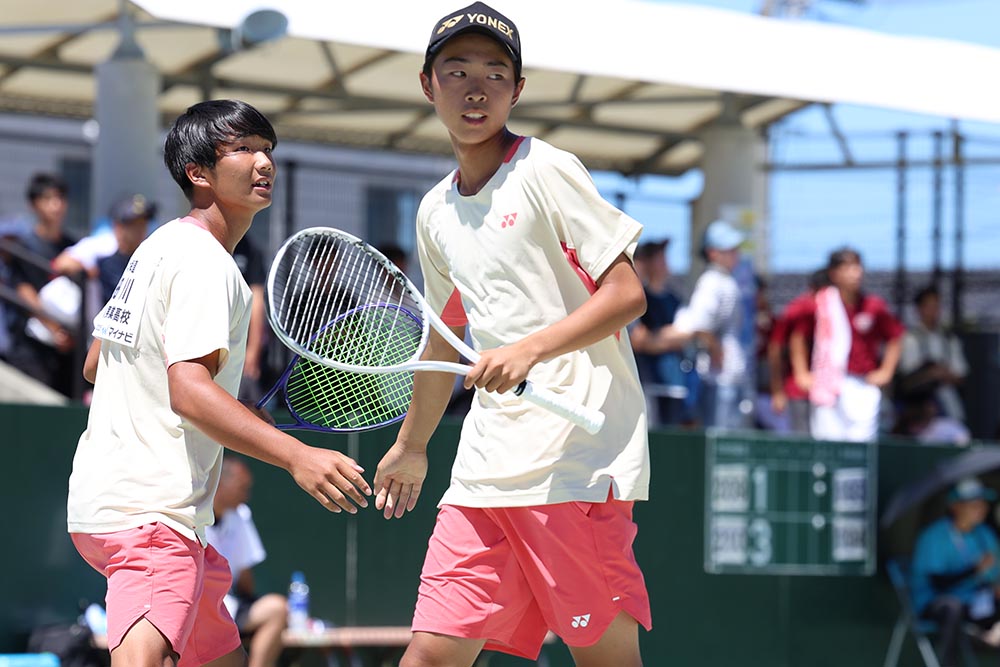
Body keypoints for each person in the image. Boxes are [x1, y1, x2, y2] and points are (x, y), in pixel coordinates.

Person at [373, 5, 651, 666]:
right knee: (430, 654)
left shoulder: (547, 169)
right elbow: (443, 340)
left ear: (517, 90)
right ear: (427, 84)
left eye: (495, 75)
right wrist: (412, 445)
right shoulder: (434, 211)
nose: (477, 89)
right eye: (458, 71)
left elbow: (626, 293)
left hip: (576, 464)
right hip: (483, 471)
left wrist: (529, 349)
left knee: (606, 659)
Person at [66, 99, 371, 667]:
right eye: (243, 149)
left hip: (108, 505)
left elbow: (95, 363)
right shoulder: (207, 263)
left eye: (267, 148)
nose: (264, 162)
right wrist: (297, 455)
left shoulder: (157, 246)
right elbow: (186, 389)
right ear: (198, 172)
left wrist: (225, 404)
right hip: (151, 516)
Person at [789, 247, 903, 443]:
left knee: (861, 445)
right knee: (829, 444)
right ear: (834, 273)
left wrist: (886, 371)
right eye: (848, 267)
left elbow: (895, 337)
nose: (855, 273)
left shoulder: (873, 305)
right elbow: (797, 337)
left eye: (857, 266)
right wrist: (801, 373)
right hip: (828, 382)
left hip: (862, 383)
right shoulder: (819, 303)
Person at [649, 219, 747, 430]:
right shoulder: (712, 281)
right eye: (728, 250)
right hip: (717, 376)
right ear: (713, 253)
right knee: (718, 437)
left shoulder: (723, 280)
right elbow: (699, 325)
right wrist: (715, 348)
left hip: (726, 375)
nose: (735, 255)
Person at [206, 455, 287, 667]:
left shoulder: (241, 515)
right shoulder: (192, 515)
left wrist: (246, 601)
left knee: (277, 609)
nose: (246, 495)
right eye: (242, 488)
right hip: (201, 609)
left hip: (230, 607)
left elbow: (244, 574)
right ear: (220, 485)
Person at [910, 477, 1000, 667]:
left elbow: (993, 578)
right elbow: (938, 583)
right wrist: (974, 569)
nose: (981, 508)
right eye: (974, 504)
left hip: (975, 603)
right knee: (952, 607)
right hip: (936, 603)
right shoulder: (934, 536)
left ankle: (987, 636)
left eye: (982, 504)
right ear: (956, 506)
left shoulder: (985, 534)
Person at [3, 172, 77, 395]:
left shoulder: (72, 246)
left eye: (60, 198)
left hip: (67, 349)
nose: (56, 205)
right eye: (48, 198)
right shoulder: (24, 247)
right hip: (31, 348)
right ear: (34, 204)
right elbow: (24, 292)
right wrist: (55, 329)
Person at [52, 193, 157, 323]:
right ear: (118, 227)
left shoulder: (151, 258)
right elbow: (61, 264)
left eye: (143, 223)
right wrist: (88, 269)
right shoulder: (105, 253)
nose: (139, 230)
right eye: (133, 224)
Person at [628, 237, 688, 426]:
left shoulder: (675, 299)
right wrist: (674, 336)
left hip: (676, 384)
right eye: (657, 257)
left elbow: (686, 336)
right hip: (648, 383)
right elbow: (639, 340)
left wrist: (658, 338)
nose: (663, 262)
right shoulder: (640, 298)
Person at [765, 268, 828, 435]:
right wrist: (778, 391)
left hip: (831, 388)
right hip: (800, 389)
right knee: (804, 439)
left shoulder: (841, 309)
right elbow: (777, 348)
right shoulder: (801, 310)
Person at [897, 284, 969, 425]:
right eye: (929, 306)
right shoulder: (908, 338)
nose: (934, 311)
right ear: (919, 309)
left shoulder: (949, 339)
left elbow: (961, 375)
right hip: (917, 412)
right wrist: (930, 373)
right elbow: (905, 377)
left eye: (937, 306)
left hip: (949, 408)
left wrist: (942, 374)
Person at [232, 234, 269, 402]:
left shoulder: (250, 250)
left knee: (245, 404)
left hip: (239, 350)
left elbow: (257, 302)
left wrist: (253, 350)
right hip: (208, 347)